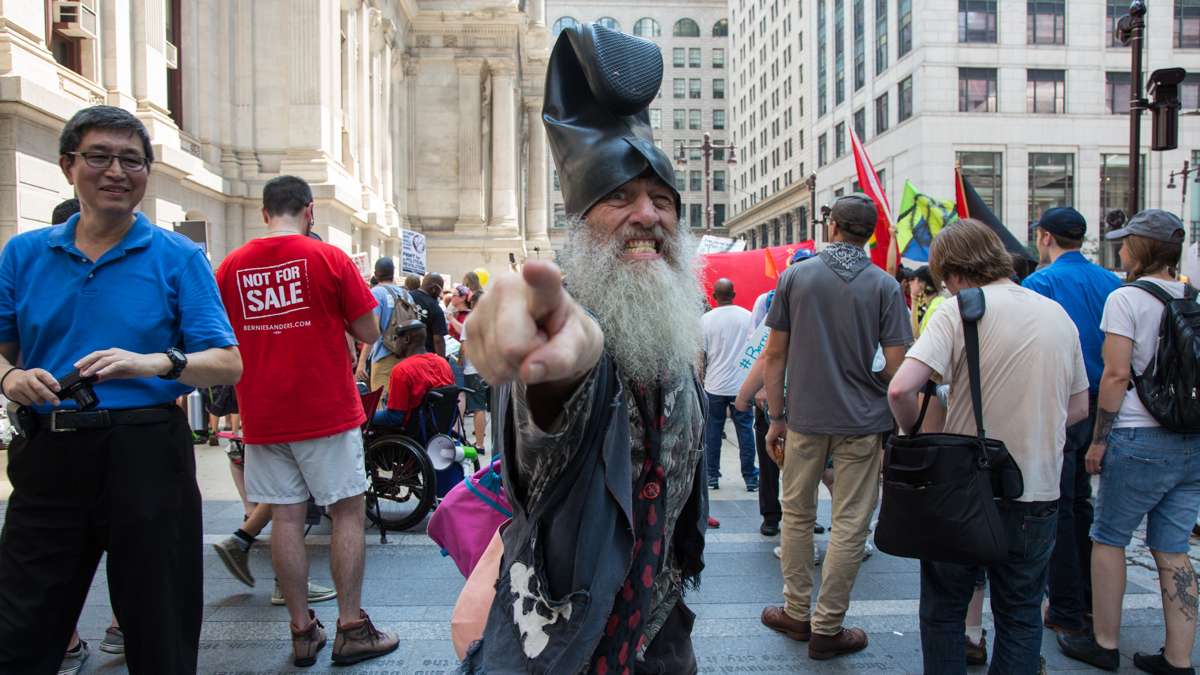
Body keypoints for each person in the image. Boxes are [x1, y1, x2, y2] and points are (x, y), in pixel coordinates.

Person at [459, 24, 710, 673]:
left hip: (661, 642)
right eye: (619, 196)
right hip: (563, 650)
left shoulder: (677, 336)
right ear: (580, 222)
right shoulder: (568, 336)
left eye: (661, 198)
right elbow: (555, 396)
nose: (648, 214)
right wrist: (552, 369)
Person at [0, 105, 242, 674]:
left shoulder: (179, 257)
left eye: (131, 160)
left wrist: (151, 362)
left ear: (146, 173)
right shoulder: (23, 254)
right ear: (68, 166)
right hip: (50, 454)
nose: (116, 171)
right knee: (21, 626)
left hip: (147, 453)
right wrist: (11, 378)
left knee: (161, 625)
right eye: (100, 157)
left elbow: (227, 363)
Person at [888, 219, 1090, 674]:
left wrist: (916, 437)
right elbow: (1078, 407)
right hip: (1037, 491)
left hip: (961, 490)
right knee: (1019, 616)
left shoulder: (957, 310)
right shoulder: (1056, 314)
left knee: (944, 610)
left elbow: (901, 390)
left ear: (950, 271)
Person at [215, 175, 398, 667]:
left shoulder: (230, 266)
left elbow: (220, 333)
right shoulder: (329, 258)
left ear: (263, 212)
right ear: (310, 211)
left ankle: (301, 632)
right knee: (347, 512)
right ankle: (351, 627)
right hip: (324, 409)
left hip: (262, 411)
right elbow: (368, 328)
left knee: (286, 520)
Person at [757, 194, 911, 660]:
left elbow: (775, 354)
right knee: (850, 522)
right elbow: (899, 363)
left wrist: (777, 416)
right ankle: (828, 627)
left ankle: (796, 611)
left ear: (833, 225)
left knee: (797, 514)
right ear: (867, 232)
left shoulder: (796, 276)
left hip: (804, 417)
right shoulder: (884, 285)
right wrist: (870, 381)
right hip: (863, 420)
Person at [1058, 210, 1200, 674]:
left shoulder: (1127, 298)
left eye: (1124, 242)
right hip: (1190, 437)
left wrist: (1099, 440)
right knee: (1173, 548)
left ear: (1139, 249)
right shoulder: (1193, 297)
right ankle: (1178, 658)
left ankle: (1104, 641)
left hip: (1138, 433)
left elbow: (1116, 374)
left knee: (1109, 538)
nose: (1118, 248)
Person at [1020, 206, 1122, 638]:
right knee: (1081, 503)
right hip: (1105, 403)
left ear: (1045, 237)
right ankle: (1089, 597)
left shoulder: (1040, 284)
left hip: (1062, 402)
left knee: (1058, 504)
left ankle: (1065, 606)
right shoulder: (1110, 282)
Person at [738, 249, 823, 538]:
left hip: (808, 394)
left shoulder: (825, 301)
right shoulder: (769, 300)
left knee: (809, 461)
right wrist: (758, 388)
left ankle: (804, 518)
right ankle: (772, 516)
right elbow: (760, 347)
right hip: (776, 393)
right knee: (772, 456)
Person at [701, 278, 758, 491]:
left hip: (714, 385)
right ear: (733, 294)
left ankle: (711, 476)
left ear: (714, 296)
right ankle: (750, 478)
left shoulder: (705, 320)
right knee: (745, 430)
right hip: (742, 386)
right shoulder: (748, 317)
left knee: (713, 430)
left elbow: (701, 356)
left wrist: (702, 380)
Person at [372, 321, 454, 427]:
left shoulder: (402, 370)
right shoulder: (443, 363)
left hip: (413, 429)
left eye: (396, 338)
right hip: (438, 427)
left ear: (406, 339)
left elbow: (394, 417)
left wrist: (366, 415)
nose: (394, 342)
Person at [354, 257, 415, 395]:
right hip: (406, 356)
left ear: (376, 274)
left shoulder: (376, 292)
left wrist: (362, 362)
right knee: (402, 401)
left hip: (384, 357)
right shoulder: (406, 295)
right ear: (393, 273)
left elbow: (373, 332)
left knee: (383, 404)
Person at [459, 308, 490, 452]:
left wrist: (459, 361)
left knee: (478, 407)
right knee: (488, 408)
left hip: (473, 369)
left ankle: (479, 443)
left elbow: (464, 348)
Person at [410, 273, 448, 358]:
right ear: (434, 289)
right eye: (440, 290)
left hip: (403, 353)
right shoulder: (435, 308)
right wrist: (442, 361)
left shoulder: (407, 296)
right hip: (424, 356)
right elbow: (438, 340)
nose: (440, 294)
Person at [909, 265, 945, 338]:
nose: (910, 282)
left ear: (922, 284)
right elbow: (916, 334)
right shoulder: (934, 303)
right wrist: (914, 299)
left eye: (913, 279)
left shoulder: (935, 307)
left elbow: (918, 336)